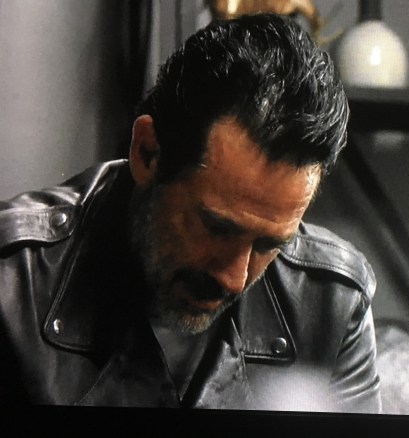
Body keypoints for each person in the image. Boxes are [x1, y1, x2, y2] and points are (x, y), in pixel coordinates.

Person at [0, 13, 381, 413]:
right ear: (147, 153)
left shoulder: (333, 305)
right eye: (218, 228)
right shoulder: (13, 284)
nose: (235, 279)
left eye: (269, 245)